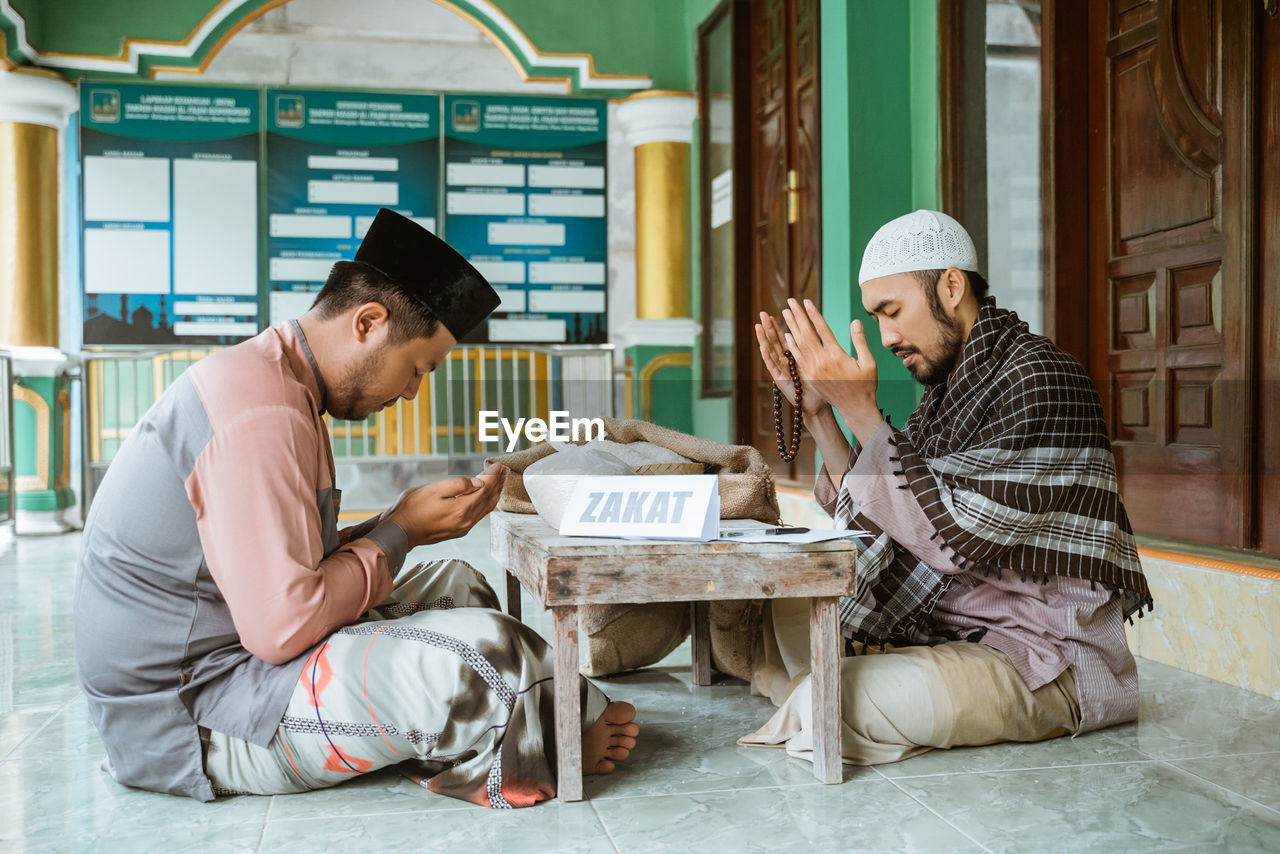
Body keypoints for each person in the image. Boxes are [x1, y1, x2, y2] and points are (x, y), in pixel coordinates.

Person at [74, 208, 637, 807]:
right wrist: (400, 530)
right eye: (418, 368)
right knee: (484, 653)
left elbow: (290, 570)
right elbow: (284, 628)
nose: (412, 391)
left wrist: (402, 526)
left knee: (458, 585)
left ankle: (484, 725)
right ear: (368, 322)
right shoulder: (262, 412)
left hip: (233, 668)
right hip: (203, 718)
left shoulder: (280, 383)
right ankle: (552, 734)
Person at [742, 209, 1152, 765]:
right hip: (953, 633)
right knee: (785, 611)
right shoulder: (947, 396)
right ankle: (809, 685)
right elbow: (884, 509)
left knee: (828, 695)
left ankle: (805, 691)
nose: (887, 336)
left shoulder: (1042, 380)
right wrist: (819, 415)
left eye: (893, 312)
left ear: (951, 286)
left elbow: (953, 536)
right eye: (876, 318)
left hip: (1044, 660)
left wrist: (861, 410)